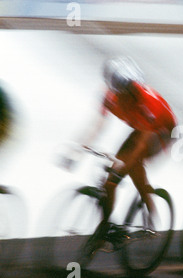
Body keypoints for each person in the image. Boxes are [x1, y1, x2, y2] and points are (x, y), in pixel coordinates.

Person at [67, 56, 177, 247]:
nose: (132, 94)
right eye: (127, 91)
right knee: (111, 180)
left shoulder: (147, 103)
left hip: (161, 132)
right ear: (116, 91)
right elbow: (97, 126)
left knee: (127, 167)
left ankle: (150, 208)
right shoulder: (110, 97)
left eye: (134, 89)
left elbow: (142, 145)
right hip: (141, 128)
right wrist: (79, 148)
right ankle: (105, 226)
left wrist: (119, 169)